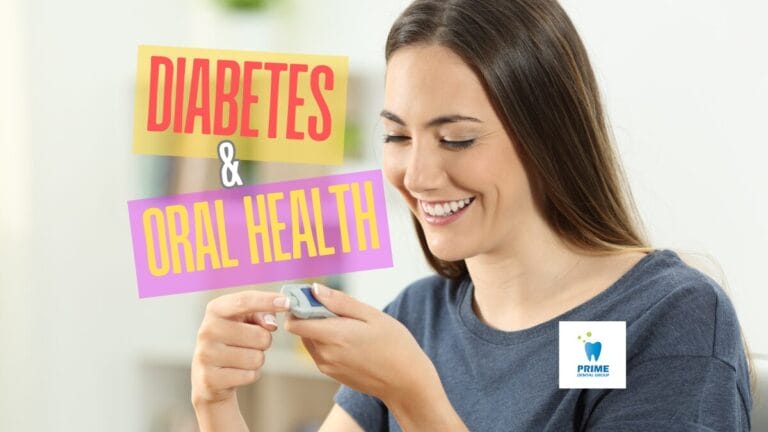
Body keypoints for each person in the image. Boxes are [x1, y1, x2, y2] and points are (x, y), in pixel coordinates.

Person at [190, 0, 754, 430]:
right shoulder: (416, 318)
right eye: (396, 135)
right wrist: (216, 403)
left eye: (456, 139)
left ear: (548, 137)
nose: (416, 175)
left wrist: (415, 400)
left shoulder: (668, 318)